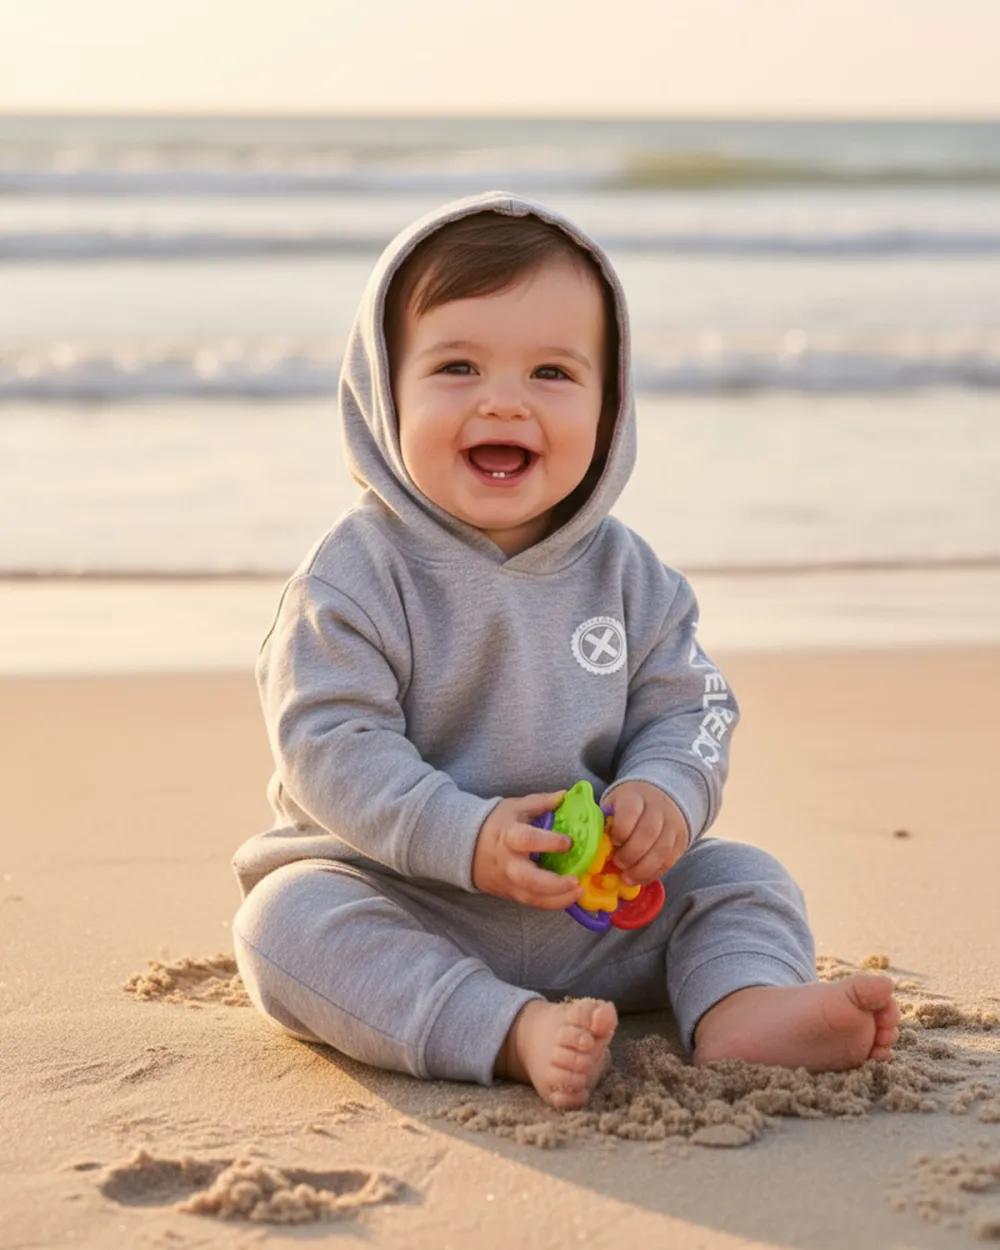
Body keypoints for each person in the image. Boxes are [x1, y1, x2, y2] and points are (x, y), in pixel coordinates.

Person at [232, 191, 899, 1109]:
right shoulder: (354, 576)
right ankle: (503, 1030)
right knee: (284, 923)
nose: (502, 398)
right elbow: (327, 745)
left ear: (610, 403)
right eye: (457, 366)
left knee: (743, 877)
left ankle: (741, 1007)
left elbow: (692, 711)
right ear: (386, 392)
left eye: (552, 372)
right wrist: (462, 838)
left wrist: (665, 792)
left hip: (601, 914)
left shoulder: (633, 578)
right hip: (410, 897)